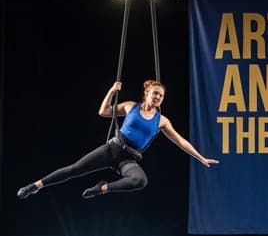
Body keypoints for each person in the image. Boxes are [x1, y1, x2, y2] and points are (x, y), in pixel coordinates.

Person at [16, 79, 218, 201]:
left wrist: (200, 158)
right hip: (111, 150)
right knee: (74, 170)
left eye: (162, 96)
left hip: (128, 160)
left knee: (140, 181)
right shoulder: (131, 106)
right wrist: (112, 91)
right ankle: (35, 186)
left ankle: (102, 188)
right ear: (147, 93)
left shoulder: (162, 120)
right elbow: (103, 112)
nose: (158, 98)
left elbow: (181, 141)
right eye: (156, 93)